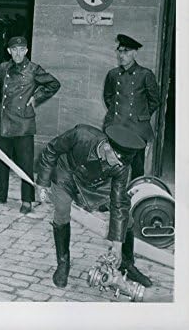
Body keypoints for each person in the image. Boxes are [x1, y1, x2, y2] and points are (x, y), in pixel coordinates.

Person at [36, 124, 153, 289]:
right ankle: (63, 264)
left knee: (127, 218)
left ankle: (127, 264)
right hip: (67, 175)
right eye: (117, 160)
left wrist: (117, 246)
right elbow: (51, 150)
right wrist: (43, 183)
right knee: (62, 210)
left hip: (98, 185)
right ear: (106, 147)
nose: (119, 165)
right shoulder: (81, 134)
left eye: (122, 163)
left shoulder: (121, 166)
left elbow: (118, 205)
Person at [0, 36, 60, 214]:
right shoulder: (4, 68)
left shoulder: (34, 69)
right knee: (1, 160)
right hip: (3, 122)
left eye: (21, 49)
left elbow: (54, 83)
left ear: (26, 51)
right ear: (9, 51)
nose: (18, 53)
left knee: (25, 163)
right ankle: (0, 195)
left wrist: (37, 97)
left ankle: (27, 200)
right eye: (14, 50)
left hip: (23, 124)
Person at [103, 34, 160, 180]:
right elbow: (108, 97)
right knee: (113, 163)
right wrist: (117, 113)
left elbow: (155, 100)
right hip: (116, 126)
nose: (122, 55)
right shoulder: (113, 74)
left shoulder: (145, 74)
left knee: (137, 167)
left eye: (126, 51)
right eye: (120, 51)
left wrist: (140, 116)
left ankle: (134, 194)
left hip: (137, 129)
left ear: (135, 53)